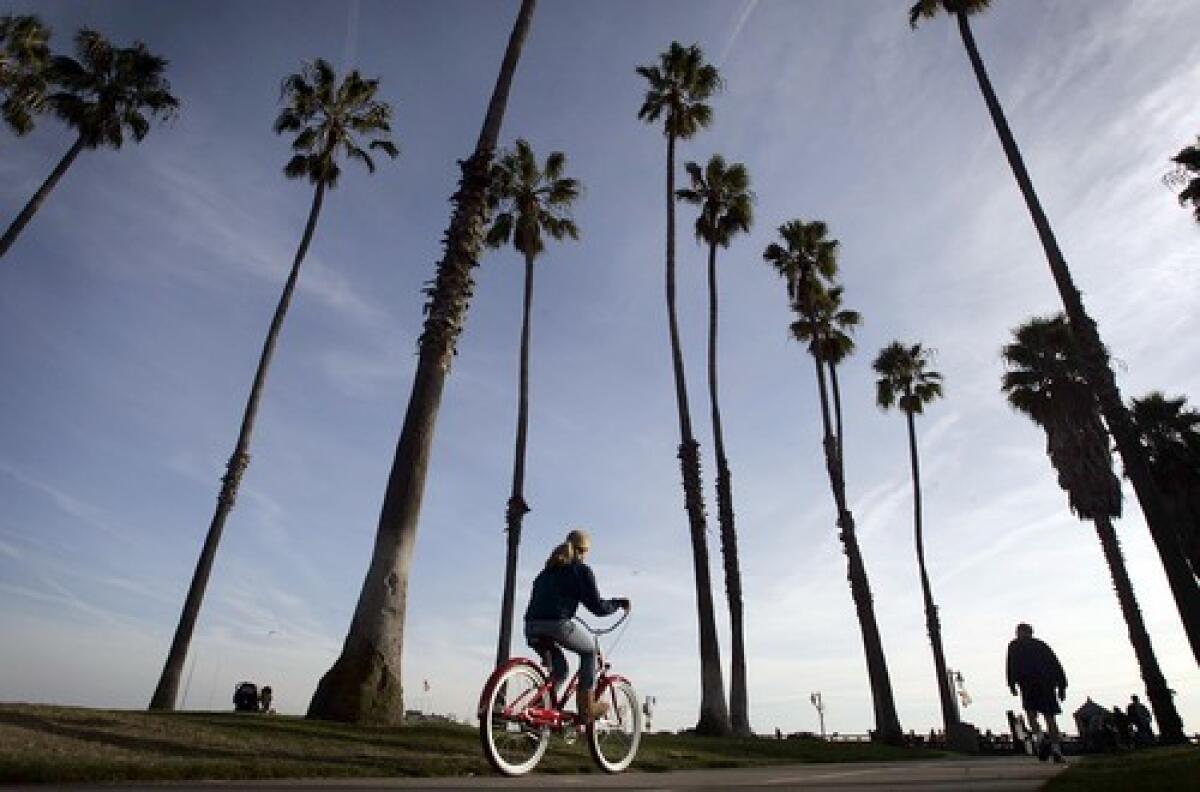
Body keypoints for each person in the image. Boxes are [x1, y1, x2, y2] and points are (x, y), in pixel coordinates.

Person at [524, 529, 630, 724]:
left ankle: (536, 716)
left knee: (561, 671)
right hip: (557, 624)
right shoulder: (580, 570)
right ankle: (587, 708)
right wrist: (618, 603)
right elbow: (598, 607)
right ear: (584, 550)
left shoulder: (546, 572)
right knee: (590, 650)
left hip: (531, 627)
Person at [1006, 623, 1067, 763]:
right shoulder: (1041, 645)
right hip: (1045, 683)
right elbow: (1055, 664)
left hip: (1029, 683)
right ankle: (1055, 748)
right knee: (1049, 717)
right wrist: (1062, 685)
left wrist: (1012, 683)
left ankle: (1040, 739)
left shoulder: (1014, 646)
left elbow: (1011, 664)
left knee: (1032, 714)